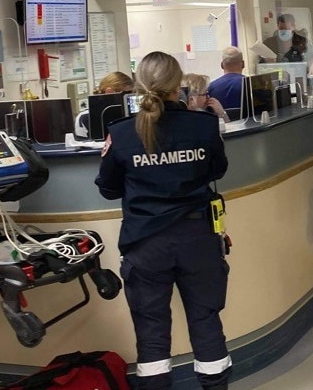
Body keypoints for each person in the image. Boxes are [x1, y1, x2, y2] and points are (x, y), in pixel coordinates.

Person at [95, 52, 231, 390]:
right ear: (178, 83)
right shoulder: (203, 125)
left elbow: (109, 190)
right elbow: (217, 170)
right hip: (198, 238)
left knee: (151, 331)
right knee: (206, 320)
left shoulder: (122, 133)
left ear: (139, 85)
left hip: (146, 244)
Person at [74, 71, 134, 139]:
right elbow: (82, 146)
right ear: (109, 92)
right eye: (127, 93)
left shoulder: (127, 113)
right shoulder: (84, 118)